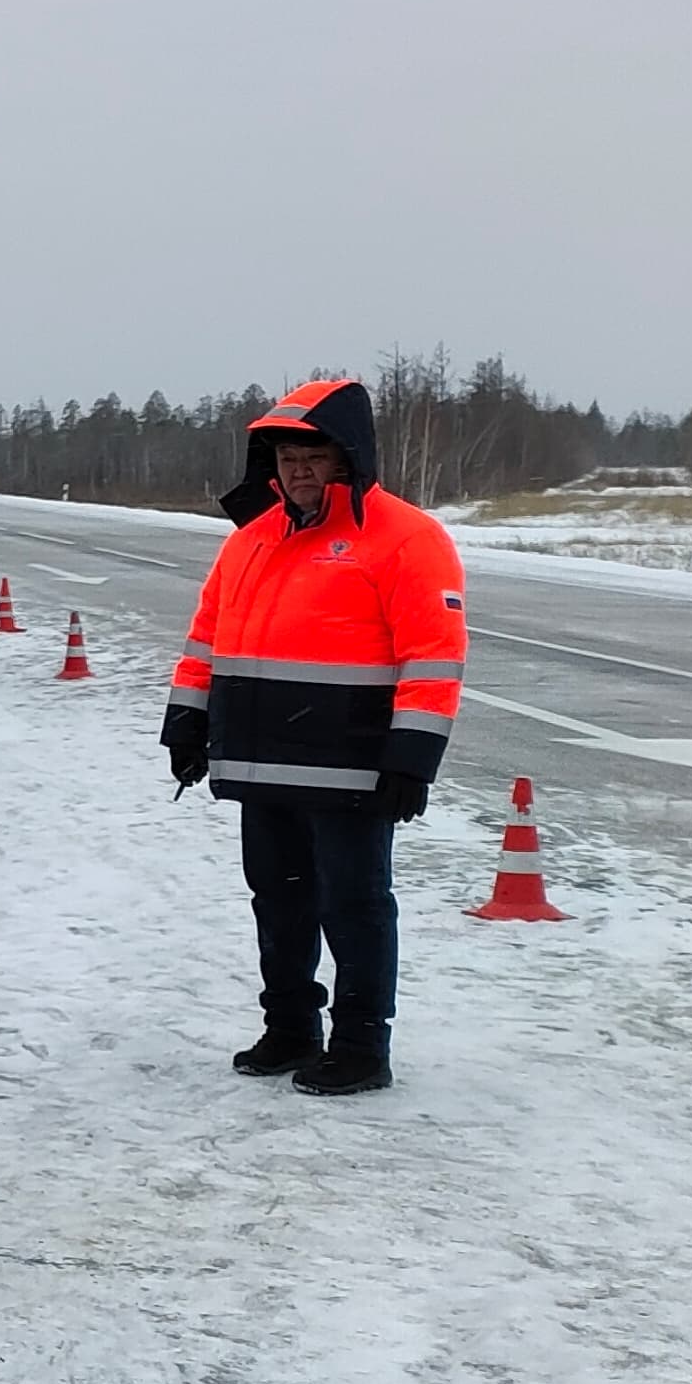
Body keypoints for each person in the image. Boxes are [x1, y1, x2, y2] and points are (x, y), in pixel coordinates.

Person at [161, 377, 467, 1096]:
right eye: (285, 456)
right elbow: (207, 639)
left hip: (349, 768)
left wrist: (412, 757)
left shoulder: (405, 537)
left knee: (354, 906)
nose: (297, 469)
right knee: (278, 902)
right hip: (262, 760)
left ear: (349, 458)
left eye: (314, 454)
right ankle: (292, 1028)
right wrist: (188, 719)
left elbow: (434, 655)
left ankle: (363, 1044)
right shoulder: (251, 541)